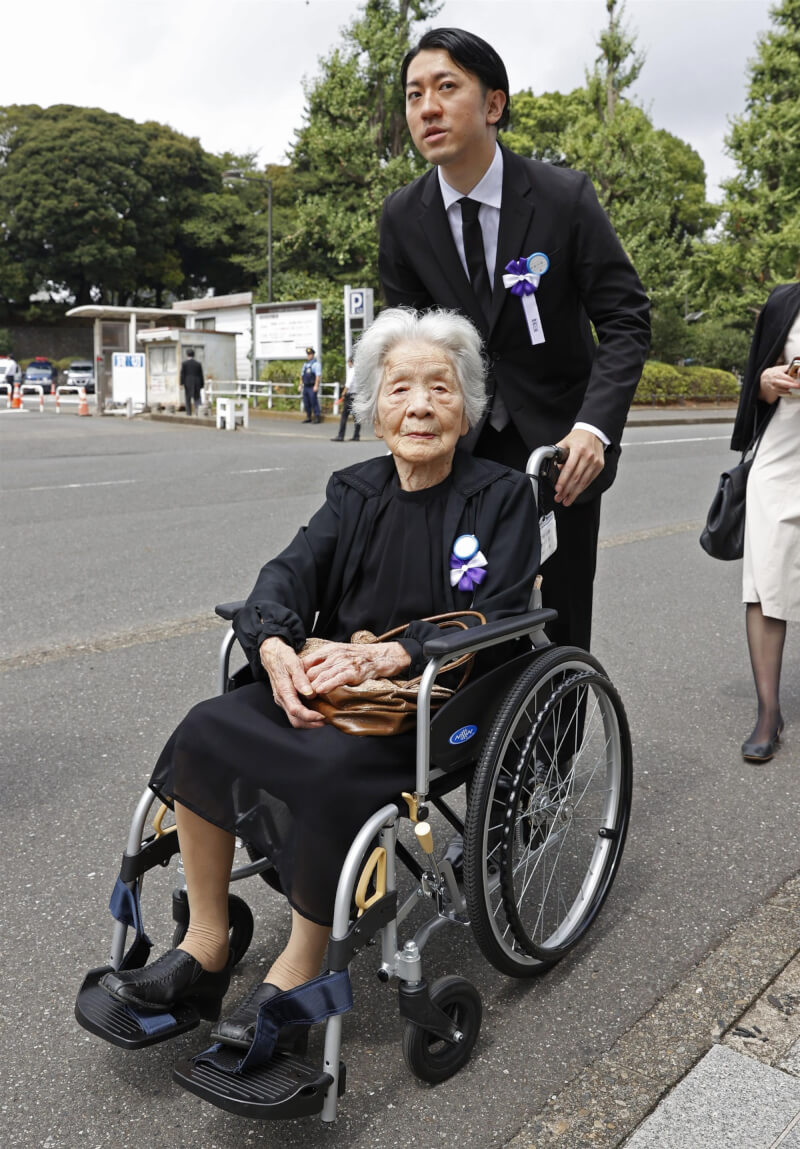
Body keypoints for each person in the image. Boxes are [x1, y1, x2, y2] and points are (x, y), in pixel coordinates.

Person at [98, 307, 540, 1049]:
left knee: (329, 770)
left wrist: (383, 655)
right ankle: (205, 943)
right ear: (375, 408)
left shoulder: (500, 497)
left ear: (468, 408)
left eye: (441, 388)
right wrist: (273, 646)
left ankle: (299, 968)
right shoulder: (355, 491)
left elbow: (497, 609)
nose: (421, 405)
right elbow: (285, 574)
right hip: (332, 688)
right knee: (208, 727)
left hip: (432, 707)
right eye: (400, 389)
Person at [379, 27, 650, 652]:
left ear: (493, 104)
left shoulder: (564, 199)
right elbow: (411, 343)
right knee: (459, 608)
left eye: (446, 87)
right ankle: (472, 743)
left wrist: (594, 430)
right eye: (414, 94)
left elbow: (626, 319)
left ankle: (555, 745)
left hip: (559, 453)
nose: (427, 107)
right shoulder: (403, 217)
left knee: (558, 615)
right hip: (459, 448)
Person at [731, 281, 800, 763]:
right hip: (783, 458)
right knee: (767, 580)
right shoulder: (785, 302)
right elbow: (755, 381)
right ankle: (768, 711)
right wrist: (767, 381)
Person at [331, 356, 361, 441]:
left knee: (344, 416)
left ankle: (341, 435)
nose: (348, 364)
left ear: (351, 362)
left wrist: (343, 392)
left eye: (348, 362)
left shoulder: (352, 370)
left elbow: (349, 383)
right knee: (356, 416)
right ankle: (356, 435)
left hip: (350, 396)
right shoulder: (359, 371)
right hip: (357, 395)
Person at [300, 347, 322, 423]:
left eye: (310, 354)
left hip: (312, 386)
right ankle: (308, 416)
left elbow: (317, 376)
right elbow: (302, 375)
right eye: (308, 354)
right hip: (305, 386)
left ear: (313, 355)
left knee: (313, 401)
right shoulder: (305, 364)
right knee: (306, 402)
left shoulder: (316, 364)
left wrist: (316, 385)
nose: (309, 356)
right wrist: (300, 385)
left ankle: (317, 417)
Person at [180, 348, 204, 416]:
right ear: (194, 355)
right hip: (197, 382)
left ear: (187, 355)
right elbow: (201, 375)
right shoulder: (198, 364)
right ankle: (198, 412)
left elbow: (182, 374)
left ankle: (189, 413)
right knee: (197, 398)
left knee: (188, 398)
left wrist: (181, 383)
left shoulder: (184, 363)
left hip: (188, 382)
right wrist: (202, 384)